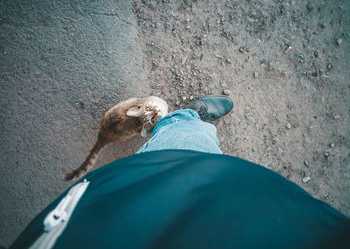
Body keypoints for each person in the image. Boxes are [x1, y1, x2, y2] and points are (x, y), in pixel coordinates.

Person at [11, 96, 350, 249]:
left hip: (113, 216)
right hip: (261, 212)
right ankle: (190, 118)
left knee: (178, 155)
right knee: (193, 150)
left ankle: (185, 119)